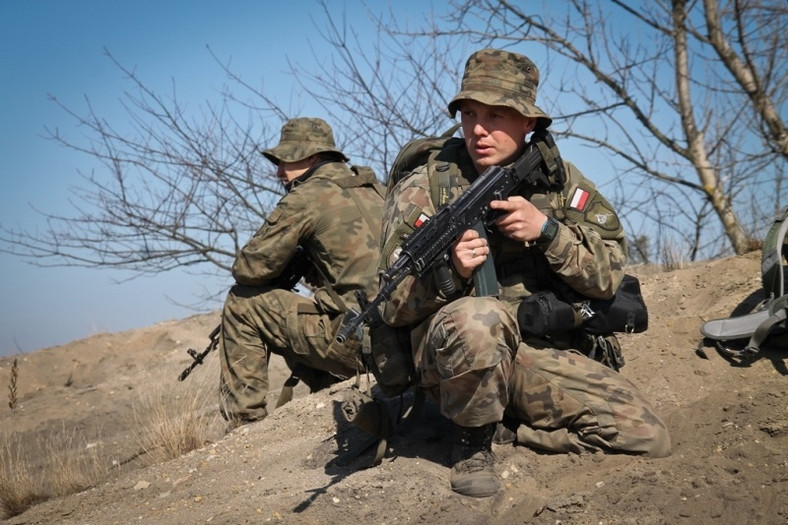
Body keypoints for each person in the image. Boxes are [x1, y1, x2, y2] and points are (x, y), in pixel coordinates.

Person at [378, 49, 671, 498]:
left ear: (528, 123)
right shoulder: (425, 189)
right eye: (470, 114)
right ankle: (471, 444)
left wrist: (549, 232)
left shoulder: (559, 182)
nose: (479, 129)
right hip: (454, 356)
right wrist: (451, 271)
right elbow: (392, 305)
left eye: (496, 115)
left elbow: (609, 277)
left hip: (531, 350)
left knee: (648, 437)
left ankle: (514, 428)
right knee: (481, 317)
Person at [219, 117, 385, 427]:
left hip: (361, 345)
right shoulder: (377, 188)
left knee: (242, 302)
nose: (278, 170)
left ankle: (243, 422)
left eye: (285, 160)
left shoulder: (305, 198)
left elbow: (248, 269)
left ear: (312, 156)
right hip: (406, 339)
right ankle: (325, 387)